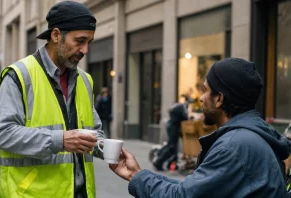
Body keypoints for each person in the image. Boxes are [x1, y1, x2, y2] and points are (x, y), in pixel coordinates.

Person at [110, 58, 289, 197]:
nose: (201, 99)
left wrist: (137, 177)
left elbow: (184, 196)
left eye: (205, 91)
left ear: (219, 99)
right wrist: (138, 174)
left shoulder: (234, 146)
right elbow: (193, 188)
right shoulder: (247, 137)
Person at [0, 1, 104, 198]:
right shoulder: (19, 75)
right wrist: (60, 140)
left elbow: (94, 131)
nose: (85, 50)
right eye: (79, 41)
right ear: (55, 35)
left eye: (89, 42)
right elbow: (4, 133)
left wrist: (108, 149)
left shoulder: (85, 80)